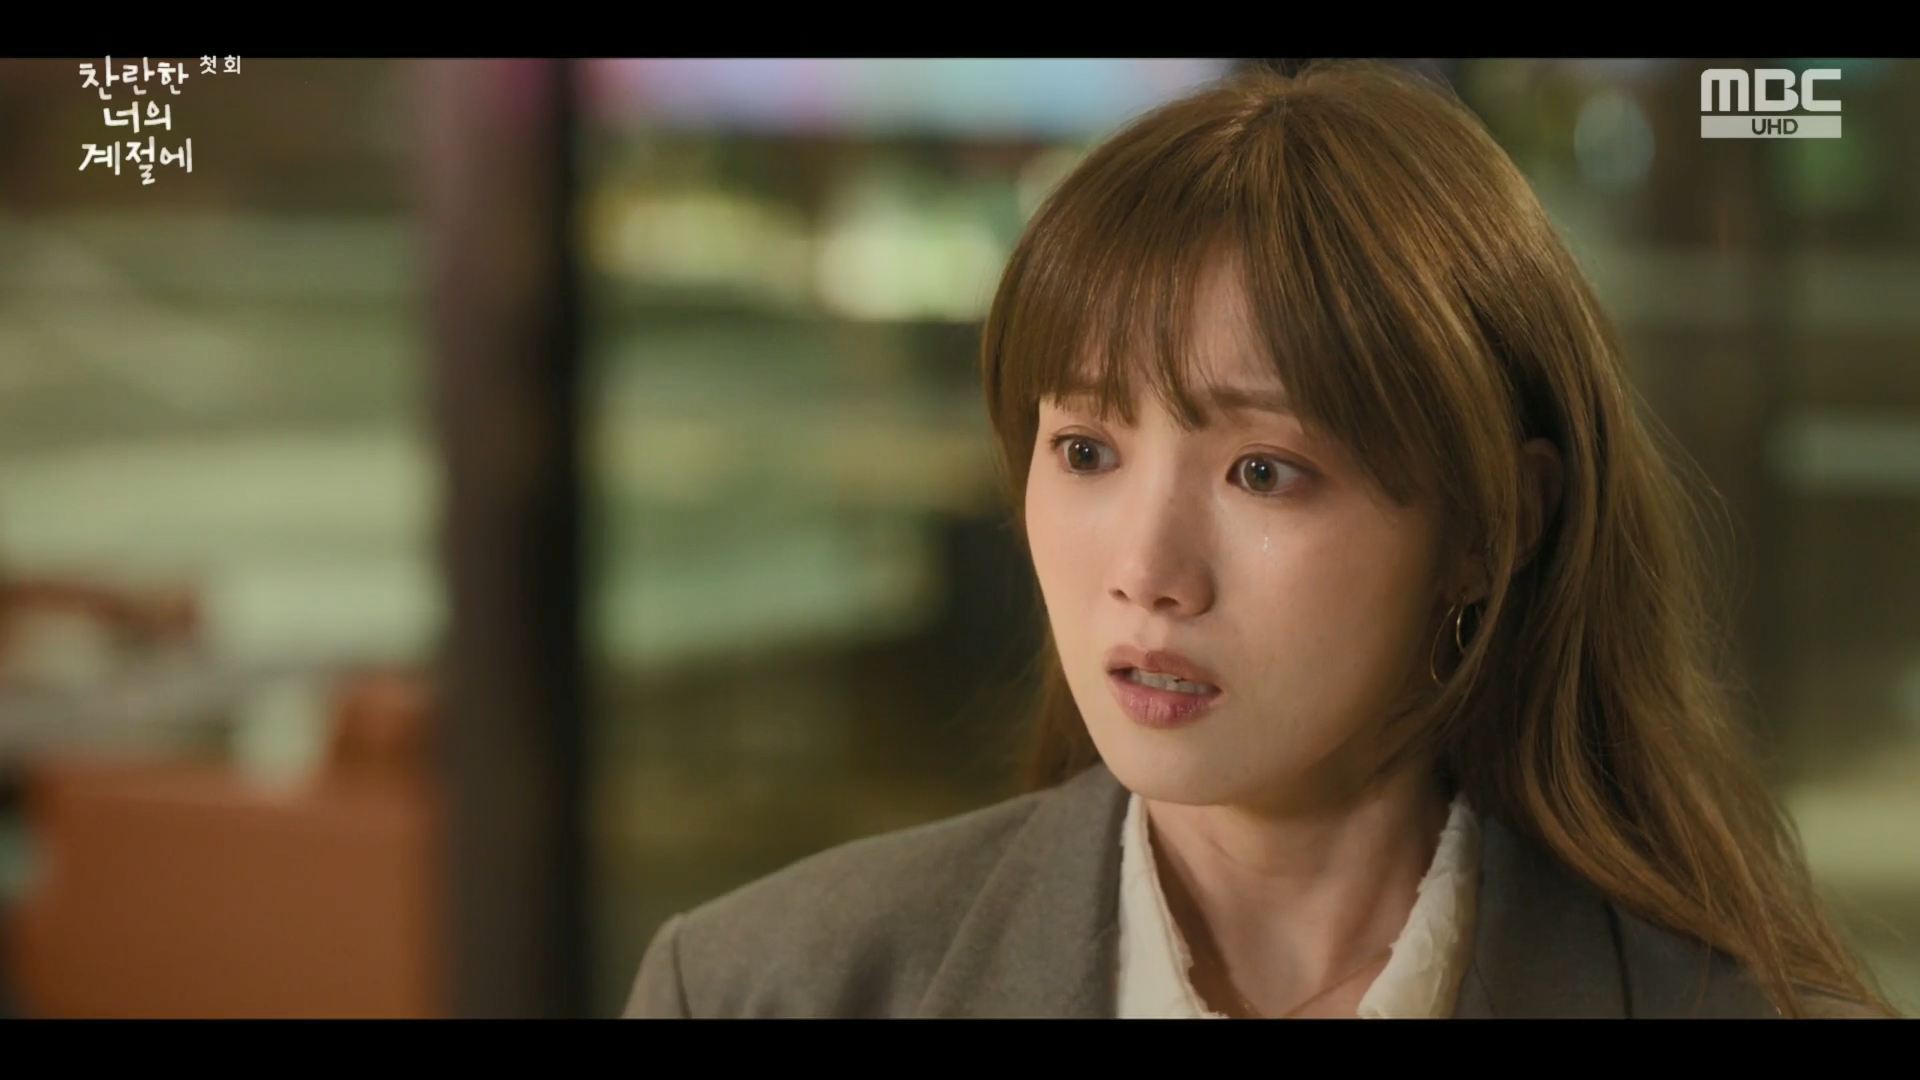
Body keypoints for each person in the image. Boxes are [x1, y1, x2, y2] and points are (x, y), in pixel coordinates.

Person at [623, 60, 1898, 1019]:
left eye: (1262, 472)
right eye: (1086, 452)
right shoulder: (759, 987)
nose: (1147, 573)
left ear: (1494, 523)